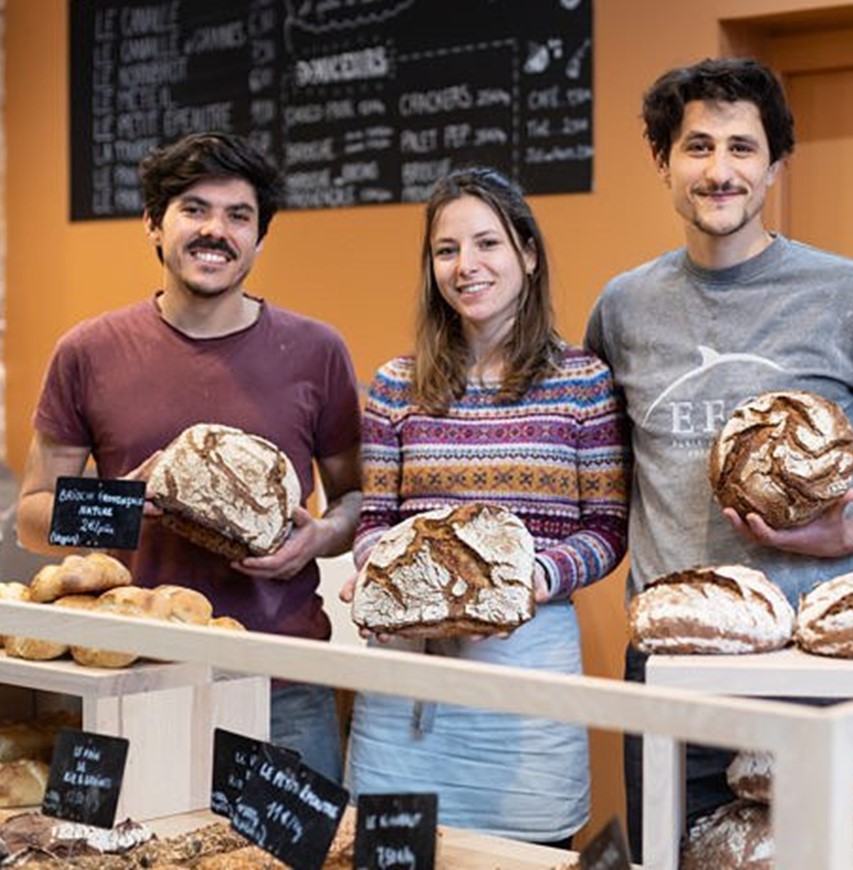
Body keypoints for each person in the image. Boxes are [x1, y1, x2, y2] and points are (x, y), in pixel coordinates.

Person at [583, 57, 853, 851]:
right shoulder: (623, 309)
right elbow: (598, 474)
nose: (720, 170)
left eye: (742, 147)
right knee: (670, 856)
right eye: (697, 148)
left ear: (774, 165)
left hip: (818, 665)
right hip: (674, 656)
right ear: (663, 164)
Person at [16, 131, 362, 782]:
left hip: (282, 682)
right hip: (133, 679)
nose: (217, 231)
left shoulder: (317, 350)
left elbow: (357, 501)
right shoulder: (88, 351)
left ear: (260, 238)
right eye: (194, 209)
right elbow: (32, 517)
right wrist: (125, 509)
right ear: (153, 224)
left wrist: (316, 537)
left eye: (239, 215)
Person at [338, 167, 629, 847]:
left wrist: (531, 579)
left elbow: (606, 529)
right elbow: (376, 520)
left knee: (525, 852)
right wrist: (381, 573)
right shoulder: (395, 385)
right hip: (411, 681)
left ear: (527, 254)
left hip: (528, 675)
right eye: (446, 250)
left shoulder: (582, 382)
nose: (466, 266)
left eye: (487, 244)